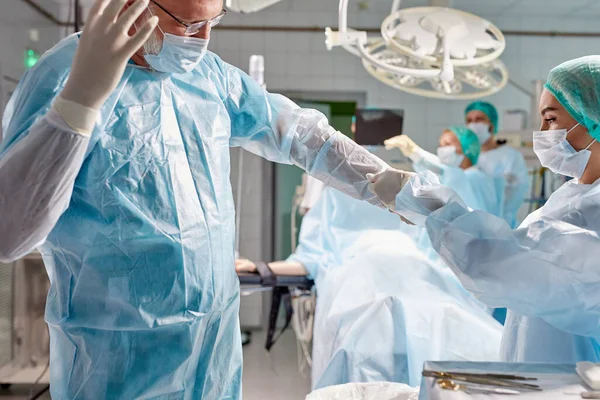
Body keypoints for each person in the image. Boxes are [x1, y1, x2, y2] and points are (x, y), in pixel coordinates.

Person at [0, 0, 406, 398]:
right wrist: (79, 102)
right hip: (116, 358)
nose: (204, 40)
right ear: (132, 7)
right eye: (190, 26)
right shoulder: (65, 76)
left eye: (215, 22)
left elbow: (300, 134)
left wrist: (389, 183)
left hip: (213, 350)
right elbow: (10, 232)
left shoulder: (210, 78)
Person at [371, 55, 600, 364]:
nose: (542, 130)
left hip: (573, 376)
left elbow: (499, 263)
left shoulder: (592, 208)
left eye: (551, 118)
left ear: (593, 118)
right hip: (542, 367)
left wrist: (427, 204)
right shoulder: (574, 192)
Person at [237, 183, 502, 390]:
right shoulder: (334, 209)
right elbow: (309, 260)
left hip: (417, 272)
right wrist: (260, 268)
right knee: (377, 320)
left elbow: (445, 263)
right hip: (366, 275)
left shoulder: (412, 217)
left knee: (443, 314)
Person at [385, 127, 504, 218]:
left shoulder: (474, 177)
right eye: (441, 145)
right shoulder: (457, 176)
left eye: (447, 144)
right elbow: (442, 173)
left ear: (467, 148)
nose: (442, 149)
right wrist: (415, 153)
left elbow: (444, 172)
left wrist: (416, 152)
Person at [465, 101, 529, 227]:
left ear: (491, 124)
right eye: (469, 120)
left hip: (503, 225)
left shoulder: (511, 156)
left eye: (479, 119)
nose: (473, 124)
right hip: (470, 226)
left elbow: (515, 194)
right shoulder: (464, 157)